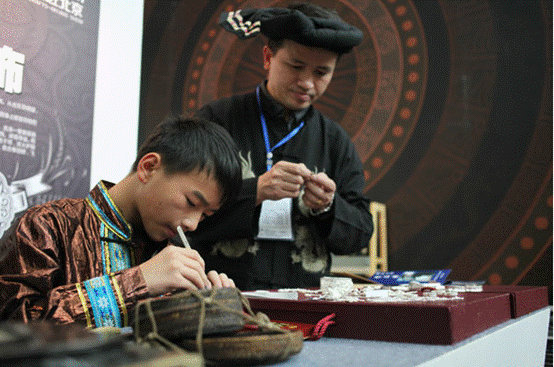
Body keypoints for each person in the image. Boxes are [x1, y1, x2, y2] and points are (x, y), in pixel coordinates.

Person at [189, 3, 373, 290]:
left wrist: (327, 207)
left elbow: (360, 234)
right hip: (222, 294)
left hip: (306, 297)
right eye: (296, 66)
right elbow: (180, 212)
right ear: (267, 57)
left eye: (322, 72)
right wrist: (255, 191)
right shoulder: (217, 121)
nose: (307, 83)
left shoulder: (335, 141)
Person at [0, 116, 242, 327]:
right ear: (149, 168)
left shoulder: (165, 252)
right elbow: (16, 328)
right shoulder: (47, 226)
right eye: (191, 202)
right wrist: (138, 281)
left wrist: (209, 310)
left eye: (205, 215)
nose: (192, 224)